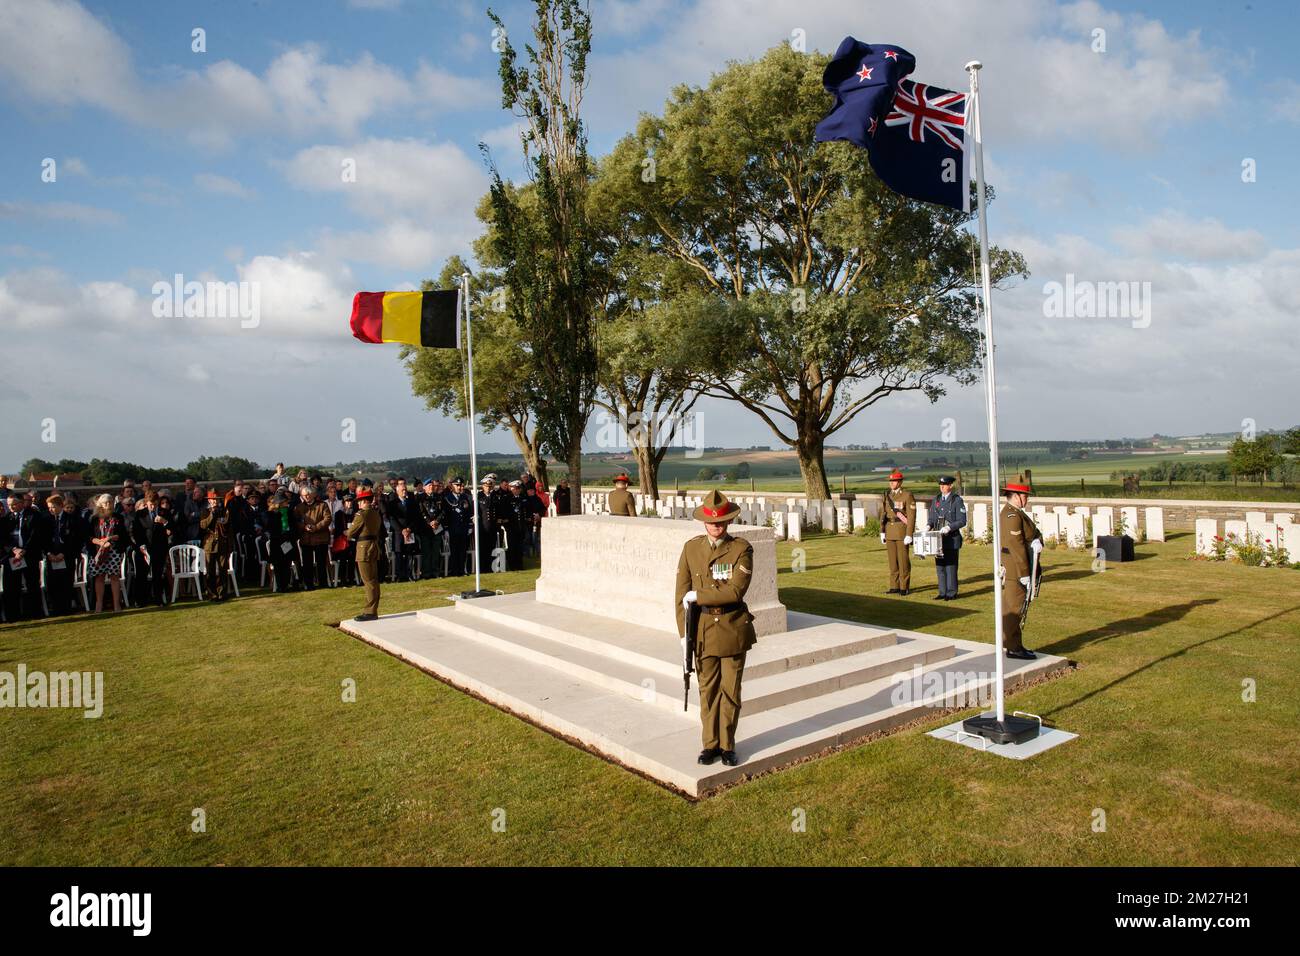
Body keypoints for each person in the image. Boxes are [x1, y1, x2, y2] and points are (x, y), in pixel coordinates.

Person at [674, 490, 757, 768]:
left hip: (732, 628)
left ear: (728, 521)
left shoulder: (741, 549)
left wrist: (701, 596)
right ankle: (709, 745)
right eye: (712, 522)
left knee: (730, 691)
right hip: (703, 630)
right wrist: (683, 635)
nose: (716, 526)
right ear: (704, 522)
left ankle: (727, 745)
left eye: (721, 521)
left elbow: (735, 590)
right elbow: (680, 594)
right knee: (707, 691)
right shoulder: (691, 548)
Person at [1000, 475, 1043, 660]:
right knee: (1014, 609)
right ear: (1016, 495)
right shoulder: (1012, 515)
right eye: (1025, 495)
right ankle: (1013, 647)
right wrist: (1025, 573)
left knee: (1016, 607)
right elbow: (1015, 546)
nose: (1027, 499)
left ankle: (1013, 644)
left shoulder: (1016, 512)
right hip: (1017, 570)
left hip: (1018, 568)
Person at [1, 490, 47, 620]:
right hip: (12, 557)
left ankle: (35, 613)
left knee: (32, 584)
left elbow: (35, 535)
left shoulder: (34, 516)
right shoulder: (6, 519)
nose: (11, 507)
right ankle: (13, 615)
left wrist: (24, 550)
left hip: (29, 555)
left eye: (14, 504)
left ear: (22, 503)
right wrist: (14, 550)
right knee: (11, 587)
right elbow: (3, 538)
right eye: (9, 504)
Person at [927, 476, 967, 601]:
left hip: (951, 538)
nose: (942, 487)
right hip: (938, 538)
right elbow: (933, 517)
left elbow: (962, 520)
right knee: (940, 566)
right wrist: (928, 525)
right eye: (940, 484)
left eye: (944, 484)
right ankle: (942, 592)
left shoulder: (956, 500)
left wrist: (950, 527)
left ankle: (951, 592)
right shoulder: (937, 499)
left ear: (950, 486)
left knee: (950, 566)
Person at [44, 494, 85, 615]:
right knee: (52, 583)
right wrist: (49, 553)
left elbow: (75, 539)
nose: (51, 509)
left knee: (66, 582)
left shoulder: (72, 519)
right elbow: (43, 538)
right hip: (51, 555)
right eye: (49, 507)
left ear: (61, 506)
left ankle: (66, 608)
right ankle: (56, 608)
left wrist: (64, 553)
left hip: (67, 556)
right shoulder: (46, 520)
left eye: (53, 507)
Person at [86, 493, 128, 613]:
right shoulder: (93, 518)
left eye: (110, 502)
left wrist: (111, 538)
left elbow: (123, 534)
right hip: (99, 550)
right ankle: (99, 604)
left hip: (114, 550)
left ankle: (116, 604)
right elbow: (88, 537)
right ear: (100, 505)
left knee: (114, 576)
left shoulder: (118, 517)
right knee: (99, 577)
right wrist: (99, 542)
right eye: (105, 503)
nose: (108, 505)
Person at [347, 488, 382, 620]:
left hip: (364, 548)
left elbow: (351, 533)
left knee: (368, 581)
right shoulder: (376, 513)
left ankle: (370, 611)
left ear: (364, 501)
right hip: (373, 547)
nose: (358, 504)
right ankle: (373, 609)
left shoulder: (361, 515)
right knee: (373, 580)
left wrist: (346, 532)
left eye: (360, 501)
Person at [879, 470, 916, 596]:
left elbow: (911, 517)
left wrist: (909, 534)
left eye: (894, 481)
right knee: (892, 561)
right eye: (890, 481)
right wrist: (882, 531)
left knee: (903, 561)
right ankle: (894, 586)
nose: (892, 483)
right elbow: (883, 514)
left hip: (901, 531)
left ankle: (904, 586)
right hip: (889, 530)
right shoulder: (887, 495)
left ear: (900, 482)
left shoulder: (907, 495)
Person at [295, 487, 332, 590]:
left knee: (321, 563)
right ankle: (309, 584)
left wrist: (316, 527)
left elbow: (328, 518)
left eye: (308, 494)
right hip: (306, 539)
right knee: (307, 564)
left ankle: (323, 583)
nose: (306, 497)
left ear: (313, 495)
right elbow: (296, 522)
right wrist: (304, 526)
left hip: (320, 538)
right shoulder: (299, 507)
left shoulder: (322, 505)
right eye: (304, 495)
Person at [199, 489, 233, 601]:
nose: (214, 502)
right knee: (210, 570)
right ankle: (211, 593)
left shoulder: (224, 511)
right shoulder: (205, 511)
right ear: (209, 501)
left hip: (222, 543)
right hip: (210, 544)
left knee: (223, 569)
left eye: (216, 500)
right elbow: (203, 525)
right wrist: (212, 514)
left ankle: (222, 593)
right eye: (212, 500)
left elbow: (227, 526)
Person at [264, 491, 299, 591]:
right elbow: (270, 528)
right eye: (284, 501)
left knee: (287, 564)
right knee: (278, 565)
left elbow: (294, 527)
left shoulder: (289, 512)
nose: (286, 503)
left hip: (288, 541)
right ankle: (280, 586)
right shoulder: (271, 514)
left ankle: (286, 584)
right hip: (277, 542)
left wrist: (290, 535)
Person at [443, 477, 472, 577]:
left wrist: (469, 526)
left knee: (463, 550)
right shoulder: (448, 498)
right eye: (457, 485)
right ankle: (455, 571)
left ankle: (462, 570)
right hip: (453, 529)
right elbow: (445, 515)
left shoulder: (465, 497)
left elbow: (469, 513)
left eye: (460, 485)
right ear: (452, 486)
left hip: (463, 528)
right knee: (454, 551)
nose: (459, 487)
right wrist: (446, 529)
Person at [418, 477, 447, 579]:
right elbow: (421, 512)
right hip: (425, 529)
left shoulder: (439, 497)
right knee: (426, 552)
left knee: (436, 551)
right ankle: (426, 572)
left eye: (432, 485)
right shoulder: (420, 498)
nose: (431, 487)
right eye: (429, 486)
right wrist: (429, 522)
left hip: (437, 528)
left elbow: (443, 511)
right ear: (424, 488)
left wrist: (437, 521)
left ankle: (435, 571)